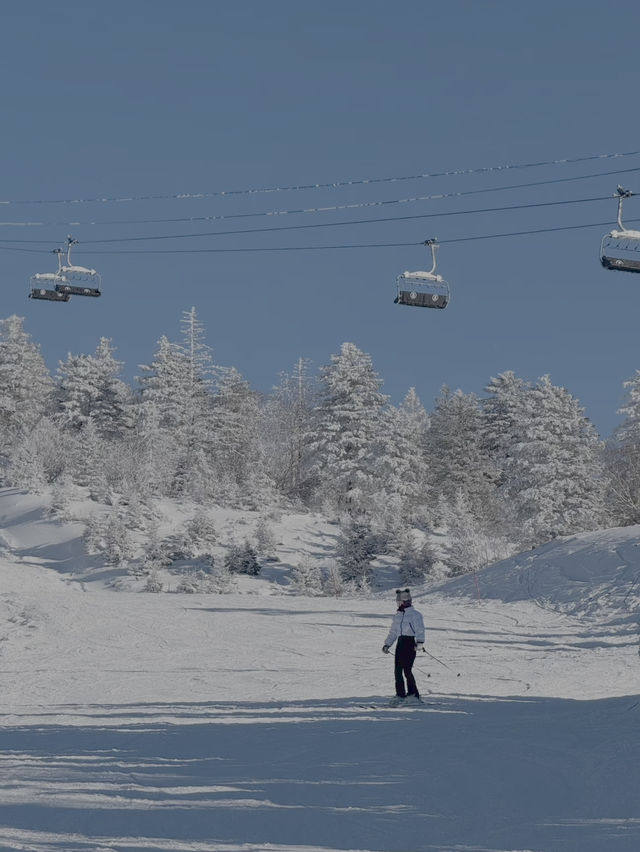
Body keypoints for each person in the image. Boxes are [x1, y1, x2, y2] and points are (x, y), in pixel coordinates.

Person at [382, 588, 425, 705]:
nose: (398, 604)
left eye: (399, 602)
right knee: (397, 670)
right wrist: (387, 644)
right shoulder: (398, 616)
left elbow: (420, 629)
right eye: (397, 602)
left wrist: (420, 642)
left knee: (407, 670)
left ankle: (413, 694)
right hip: (400, 643)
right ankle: (400, 694)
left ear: (405, 602)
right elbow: (393, 632)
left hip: (410, 643)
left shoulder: (415, 615)